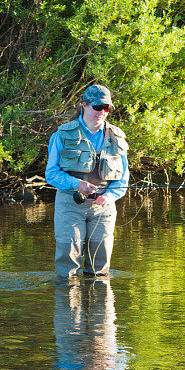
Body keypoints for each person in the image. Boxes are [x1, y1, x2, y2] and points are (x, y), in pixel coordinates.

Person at [45, 85, 129, 277]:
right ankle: (68, 304)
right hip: (70, 204)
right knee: (67, 267)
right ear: (84, 105)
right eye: (98, 107)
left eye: (106, 108)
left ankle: (100, 306)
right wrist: (77, 184)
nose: (102, 112)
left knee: (100, 269)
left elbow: (123, 177)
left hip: (104, 207)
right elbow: (51, 174)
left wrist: (109, 196)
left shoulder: (117, 137)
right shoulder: (62, 135)